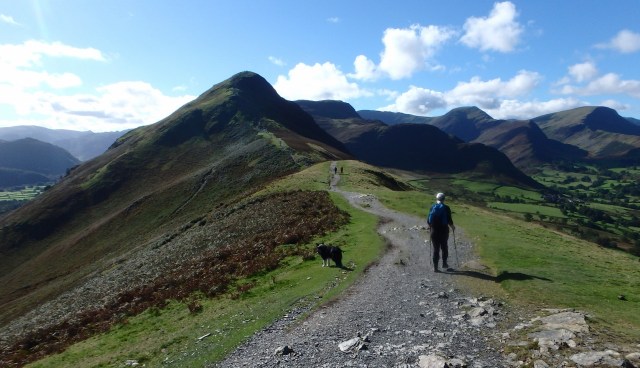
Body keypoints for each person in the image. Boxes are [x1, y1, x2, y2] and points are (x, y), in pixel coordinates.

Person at [427, 192, 455, 272]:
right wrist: (452, 227)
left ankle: (435, 268)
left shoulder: (432, 207)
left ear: (437, 198)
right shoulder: (446, 208)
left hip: (434, 231)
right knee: (444, 247)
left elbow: (428, 221)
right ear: (444, 199)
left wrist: (431, 227)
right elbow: (449, 219)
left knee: (436, 249)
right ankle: (444, 264)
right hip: (444, 231)